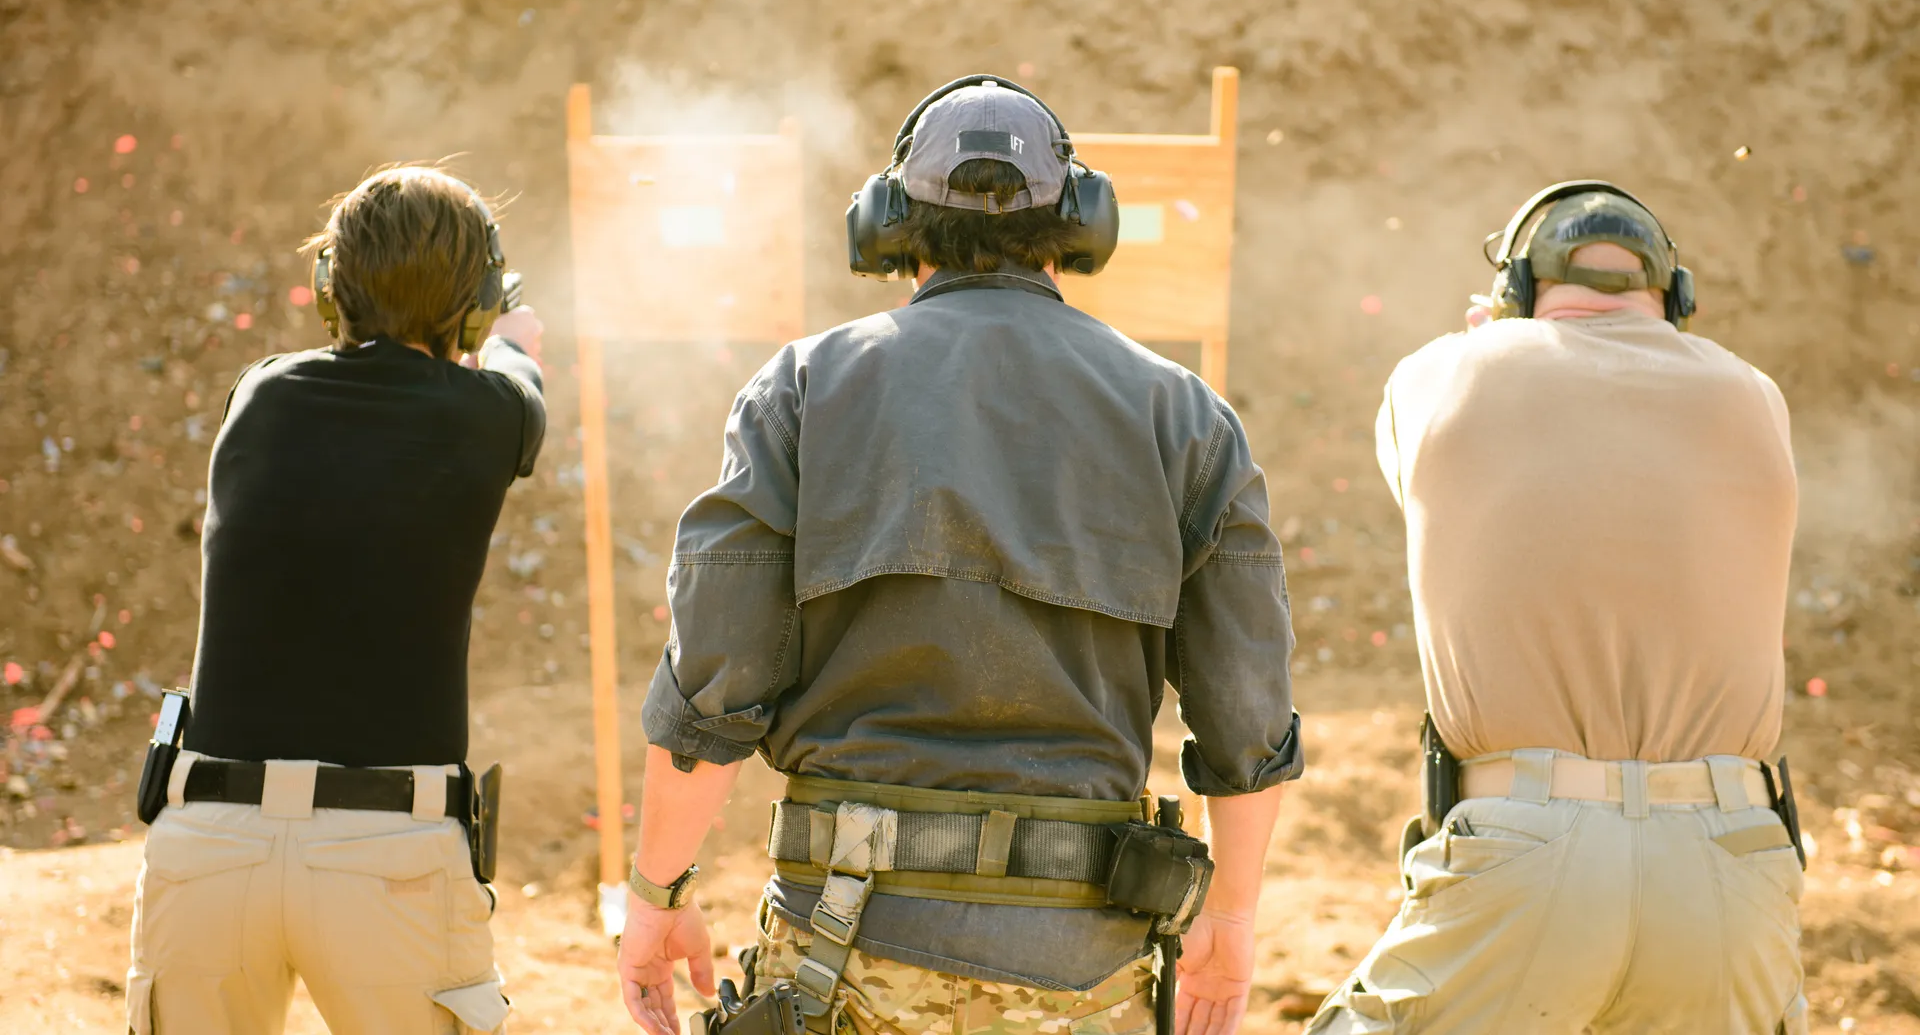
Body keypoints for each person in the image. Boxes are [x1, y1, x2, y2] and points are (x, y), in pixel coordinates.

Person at [614, 76, 1303, 1035]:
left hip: (841, 957)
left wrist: (655, 894)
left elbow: (715, 683)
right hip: (1083, 970)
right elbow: (1247, 718)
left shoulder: (802, 389)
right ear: (1081, 222)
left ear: (890, 222)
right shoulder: (1185, 417)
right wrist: (1228, 921)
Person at [1308, 183, 1805, 1034]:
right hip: (1732, 858)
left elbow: (1427, 478)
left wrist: (1494, 340)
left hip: (1525, 849)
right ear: (1672, 293)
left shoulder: (1442, 374)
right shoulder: (1755, 396)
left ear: (1516, 290)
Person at [125, 166, 546, 1035]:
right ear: (473, 309)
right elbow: (519, 381)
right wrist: (508, 335)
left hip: (209, 840)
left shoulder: (260, 394)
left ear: (329, 291)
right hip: (388, 851)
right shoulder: (490, 413)